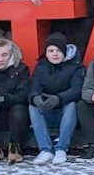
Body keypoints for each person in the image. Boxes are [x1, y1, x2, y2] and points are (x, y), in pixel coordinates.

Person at [28, 32, 84, 165]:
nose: (54, 54)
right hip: (47, 109)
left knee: (71, 105)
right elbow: (33, 89)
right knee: (32, 107)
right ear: (46, 53)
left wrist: (58, 99)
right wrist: (35, 98)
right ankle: (45, 149)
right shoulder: (40, 68)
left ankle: (61, 149)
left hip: (66, 113)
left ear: (64, 51)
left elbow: (77, 90)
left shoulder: (76, 67)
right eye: (51, 50)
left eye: (58, 50)